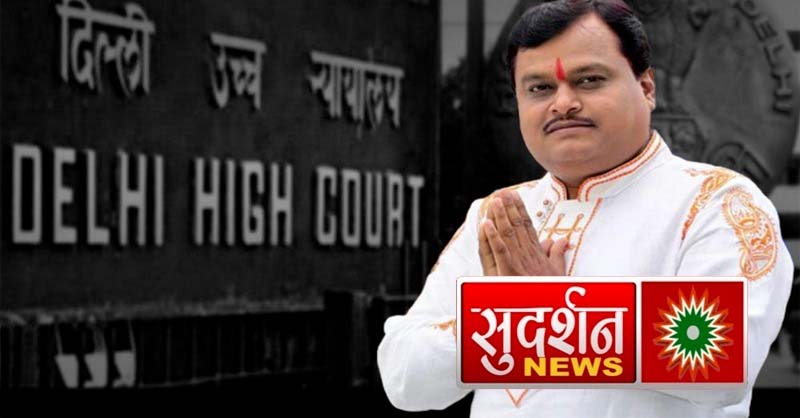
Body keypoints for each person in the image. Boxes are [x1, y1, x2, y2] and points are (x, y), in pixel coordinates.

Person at [376, 0, 794, 417]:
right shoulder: (498, 216)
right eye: (539, 89)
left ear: (647, 88)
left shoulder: (717, 202)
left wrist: (545, 311)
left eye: (589, 80)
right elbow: (403, 375)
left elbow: (720, 355)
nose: (562, 103)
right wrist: (520, 315)